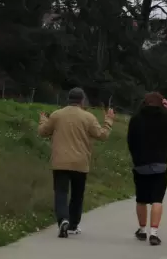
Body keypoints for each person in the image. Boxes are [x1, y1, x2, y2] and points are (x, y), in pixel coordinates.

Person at [38, 87, 115, 238]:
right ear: (82, 100)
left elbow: (43, 132)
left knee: (61, 193)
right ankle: (73, 225)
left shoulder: (57, 115)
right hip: (80, 163)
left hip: (60, 162)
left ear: (68, 99)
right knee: (77, 195)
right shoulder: (88, 117)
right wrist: (109, 121)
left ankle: (63, 220)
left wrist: (43, 119)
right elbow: (102, 135)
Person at [127, 92, 167, 246]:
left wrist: (136, 158)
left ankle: (142, 230)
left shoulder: (136, 119)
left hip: (140, 164)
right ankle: (154, 233)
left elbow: (130, 141)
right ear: (161, 103)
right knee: (157, 199)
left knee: (141, 199)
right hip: (160, 164)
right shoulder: (165, 117)